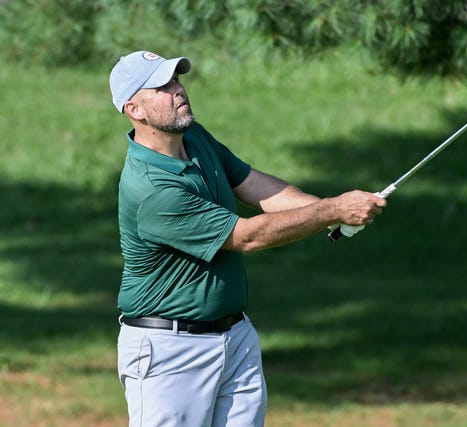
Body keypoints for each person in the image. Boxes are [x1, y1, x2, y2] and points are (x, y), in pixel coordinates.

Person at [109, 51, 386, 427]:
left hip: (234, 337)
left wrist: (323, 209)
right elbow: (245, 236)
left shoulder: (193, 136)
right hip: (169, 353)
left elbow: (250, 183)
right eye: (163, 87)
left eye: (177, 80)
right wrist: (333, 211)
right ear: (135, 110)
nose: (179, 90)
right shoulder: (153, 189)